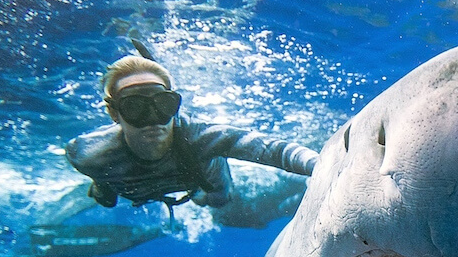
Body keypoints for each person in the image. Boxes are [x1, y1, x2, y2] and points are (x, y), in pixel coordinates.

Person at [65, 54, 319, 213]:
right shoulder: (87, 154)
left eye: (163, 105)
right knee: (105, 200)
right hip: (129, 185)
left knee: (219, 201)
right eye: (135, 107)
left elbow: (272, 150)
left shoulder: (199, 137)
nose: (153, 120)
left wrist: (320, 165)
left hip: (198, 179)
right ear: (114, 114)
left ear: (175, 106)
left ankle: (198, 195)